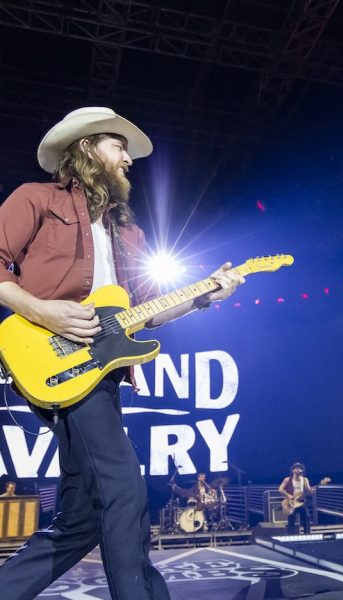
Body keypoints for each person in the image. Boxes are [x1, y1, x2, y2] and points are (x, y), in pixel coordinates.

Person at [0, 107, 245, 599]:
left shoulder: (127, 232)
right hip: (55, 355)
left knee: (84, 516)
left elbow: (143, 314)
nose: (129, 160)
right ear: (88, 149)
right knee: (125, 490)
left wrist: (205, 295)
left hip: (102, 373)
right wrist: (42, 310)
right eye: (118, 147)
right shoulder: (36, 198)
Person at [278, 462, 312, 534]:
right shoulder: (287, 479)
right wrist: (288, 495)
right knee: (291, 520)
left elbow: (308, 491)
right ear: (293, 470)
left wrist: (311, 491)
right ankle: (291, 537)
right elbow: (280, 489)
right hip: (292, 502)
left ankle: (307, 535)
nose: (298, 469)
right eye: (297, 468)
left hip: (301, 502)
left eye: (300, 468)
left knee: (307, 517)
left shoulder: (305, 480)